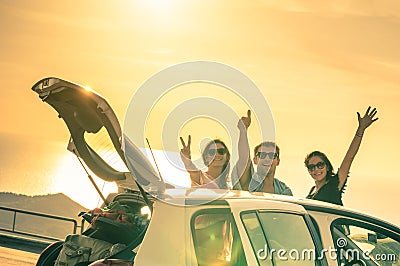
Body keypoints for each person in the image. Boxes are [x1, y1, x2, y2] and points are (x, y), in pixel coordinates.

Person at [305, 106, 378, 205]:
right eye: (312, 167)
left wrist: (361, 129)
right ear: (309, 170)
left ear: (327, 166)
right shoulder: (312, 191)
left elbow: (349, 158)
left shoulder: (334, 184)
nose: (316, 169)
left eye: (320, 165)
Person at [232, 110, 292, 195]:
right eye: (262, 155)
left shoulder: (284, 191)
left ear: (278, 161)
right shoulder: (249, 183)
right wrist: (243, 131)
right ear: (255, 160)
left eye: (272, 155)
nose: (267, 158)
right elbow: (244, 159)